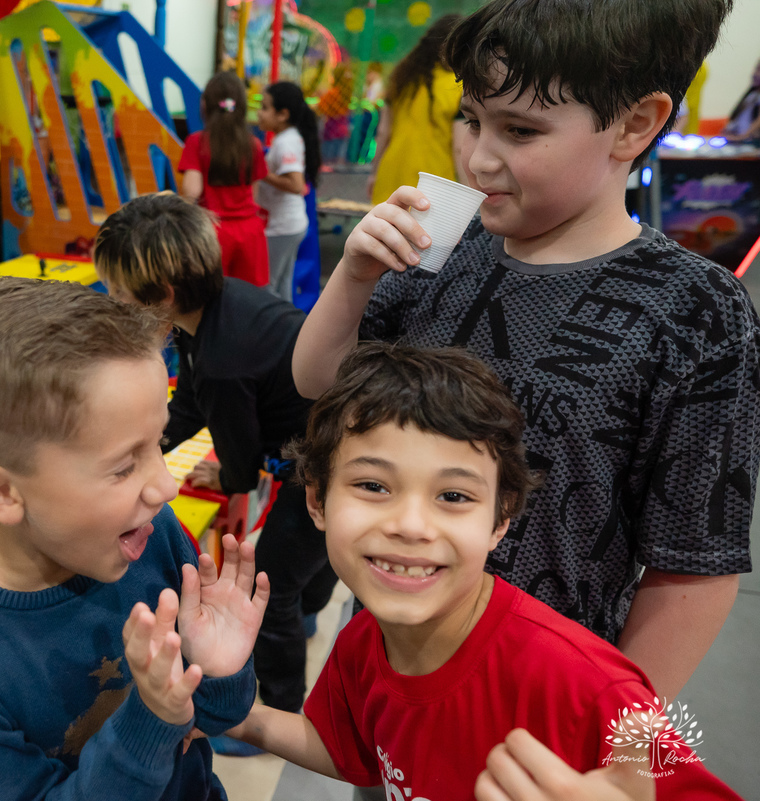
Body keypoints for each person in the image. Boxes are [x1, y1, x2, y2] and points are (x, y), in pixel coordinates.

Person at [292, 0, 755, 704]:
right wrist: (354, 278)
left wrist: (614, 737)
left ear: (634, 123)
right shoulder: (442, 247)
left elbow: (692, 563)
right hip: (393, 669)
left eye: (521, 130)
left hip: (542, 701)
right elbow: (321, 382)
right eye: (472, 119)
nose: (478, 157)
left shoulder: (694, 310)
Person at [227, 341, 744, 800]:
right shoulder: (365, 642)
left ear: (501, 519)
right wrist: (224, 708)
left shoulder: (595, 691)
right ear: (317, 500)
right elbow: (353, 754)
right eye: (373, 486)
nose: (411, 525)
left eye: (453, 496)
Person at [0, 276, 269, 800]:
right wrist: (151, 718)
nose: (165, 485)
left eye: (156, 444)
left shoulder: (150, 535)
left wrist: (219, 669)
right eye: (124, 465)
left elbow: (217, 716)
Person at [93, 193, 336, 731]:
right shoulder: (215, 311)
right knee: (313, 557)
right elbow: (190, 403)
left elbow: (243, 468)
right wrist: (147, 445)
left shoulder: (226, 361)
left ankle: (276, 710)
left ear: (164, 294)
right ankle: (310, 611)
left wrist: (224, 472)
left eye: (118, 292)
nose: (113, 302)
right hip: (324, 443)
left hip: (322, 467)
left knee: (270, 589)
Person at [179, 71, 270, 287]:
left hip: (213, 231)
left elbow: (192, 191)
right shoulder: (253, 144)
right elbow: (254, 193)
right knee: (248, 298)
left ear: (205, 105)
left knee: (210, 296)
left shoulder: (197, 142)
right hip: (250, 232)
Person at [366, 15, 463, 204]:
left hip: (392, 173)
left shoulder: (401, 80)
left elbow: (384, 132)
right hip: (434, 180)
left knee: (385, 230)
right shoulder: (458, 86)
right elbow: (459, 147)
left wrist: (374, 173)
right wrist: (468, 189)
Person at [256, 81, 321, 302]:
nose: (259, 114)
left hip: (282, 227)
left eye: (264, 108)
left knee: (268, 285)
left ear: (283, 114)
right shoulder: (287, 138)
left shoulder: (286, 143)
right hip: (288, 224)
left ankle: (273, 333)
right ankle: (287, 332)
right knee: (282, 284)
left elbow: (296, 185)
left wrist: (261, 172)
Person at [721, 57, 760, 142]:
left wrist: (743, 136)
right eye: (756, 69)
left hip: (751, 141)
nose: (756, 74)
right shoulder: (752, 95)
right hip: (740, 139)